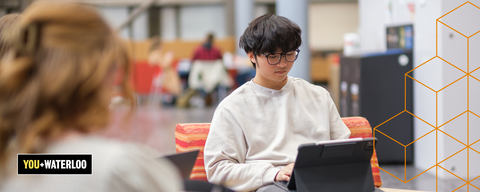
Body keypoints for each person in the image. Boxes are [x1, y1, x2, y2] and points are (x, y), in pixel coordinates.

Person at [0, 2, 183, 192]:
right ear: (93, 75)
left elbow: (59, 164)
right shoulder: (115, 168)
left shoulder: (14, 162)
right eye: (113, 66)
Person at [203, 14, 351, 192]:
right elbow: (218, 170)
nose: (282, 63)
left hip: (321, 180)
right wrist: (272, 173)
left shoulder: (318, 95)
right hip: (271, 184)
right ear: (252, 56)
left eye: (289, 54)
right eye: (273, 56)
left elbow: (344, 148)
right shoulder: (232, 107)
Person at [188, 33, 232, 106]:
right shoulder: (217, 50)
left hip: (201, 78)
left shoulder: (198, 50)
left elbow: (192, 62)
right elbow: (222, 63)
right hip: (215, 78)